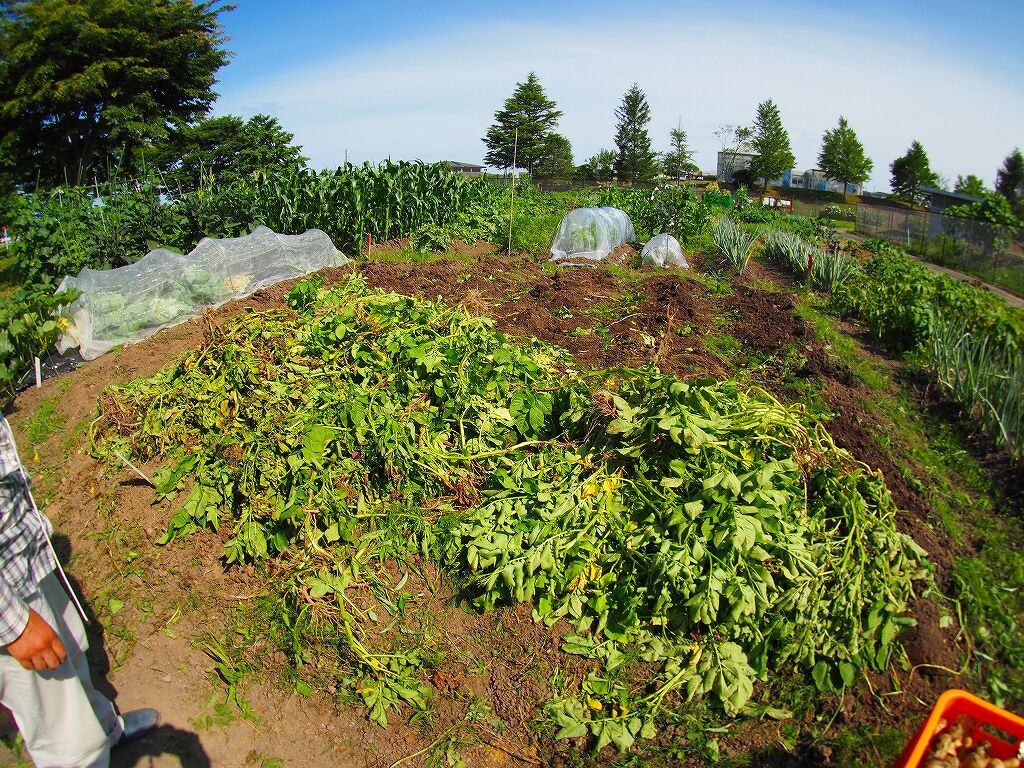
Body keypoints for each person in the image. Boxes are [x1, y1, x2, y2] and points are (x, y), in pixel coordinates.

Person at [0, 413, 158, 767]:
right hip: (8, 598)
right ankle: (84, 755)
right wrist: (14, 624)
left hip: (19, 559)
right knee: (60, 723)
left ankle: (104, 730)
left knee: (70, 647)